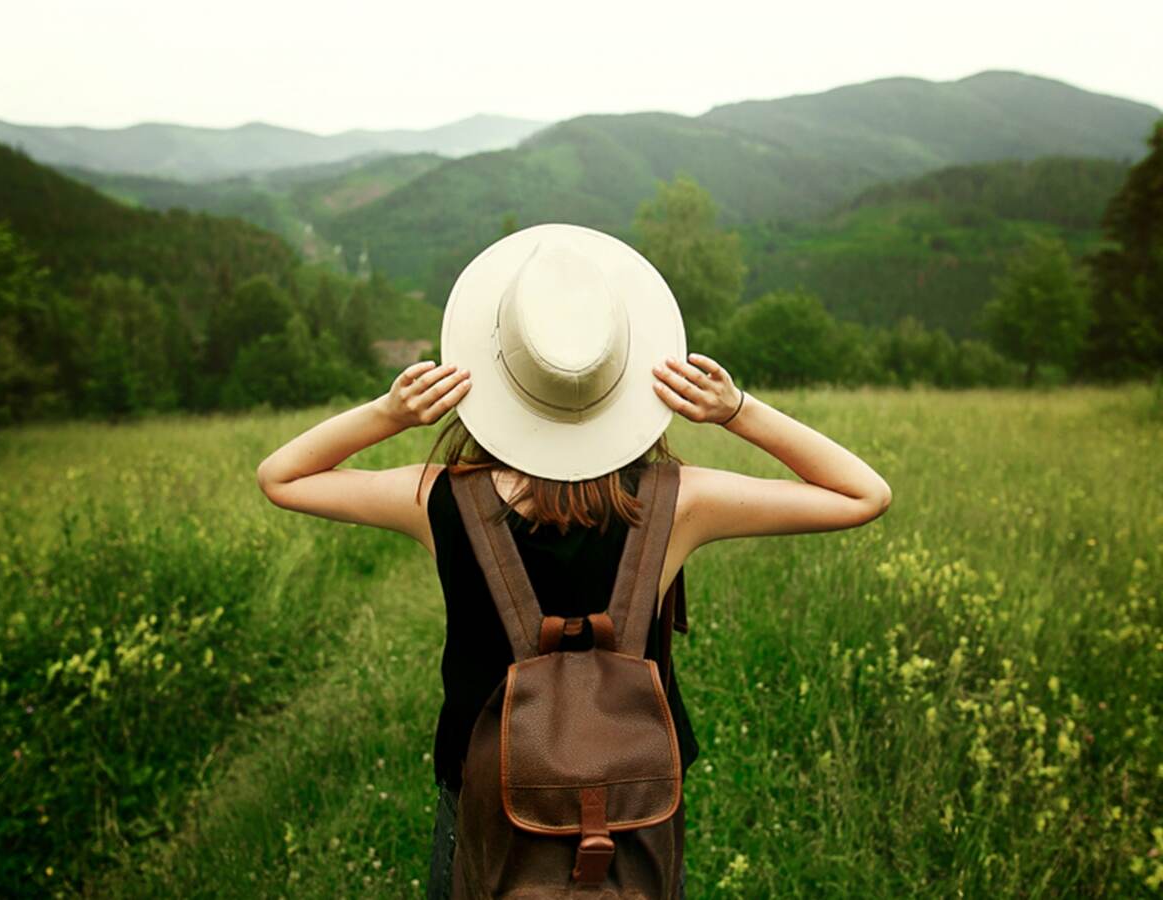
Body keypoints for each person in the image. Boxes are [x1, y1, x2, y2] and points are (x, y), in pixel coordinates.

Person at [256, 224, 892, 898]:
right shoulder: (681, 503)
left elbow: (282, 477)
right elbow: (863, 493)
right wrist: (735, 409)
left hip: (482, 789)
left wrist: (389, 413)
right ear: (622, 378)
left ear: (498, 378)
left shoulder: (436, 498)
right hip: (632, 803)